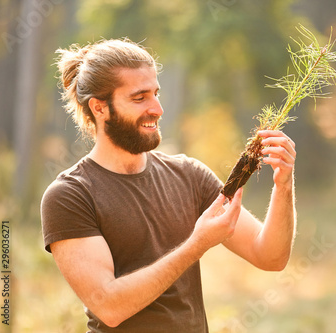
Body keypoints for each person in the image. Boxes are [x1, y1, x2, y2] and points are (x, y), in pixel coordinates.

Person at [41, 38, 296, 332]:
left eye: (156, 93)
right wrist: (196, 245)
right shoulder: (70, 195)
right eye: (140, 98)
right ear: (100, 108)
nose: (158, 108)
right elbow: (109, 307)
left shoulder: (189, 175)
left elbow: (270, 256)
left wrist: (284, 184)